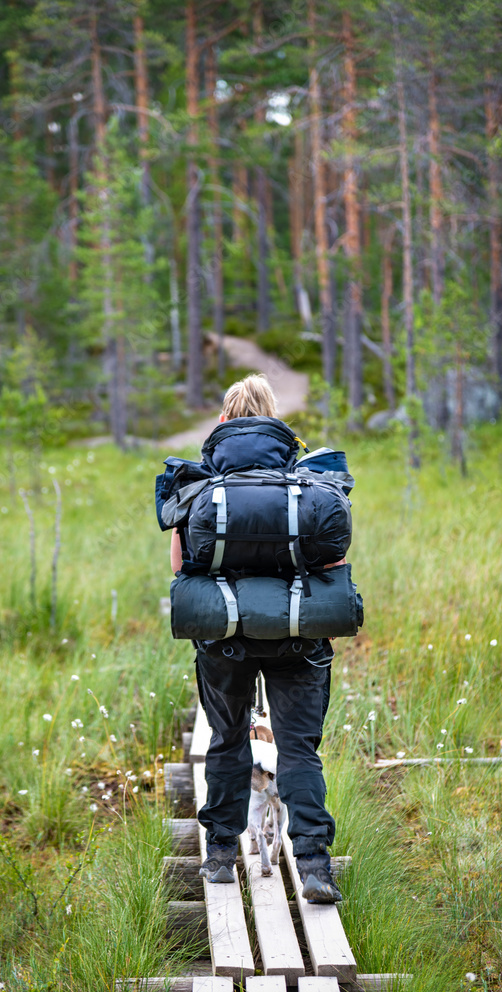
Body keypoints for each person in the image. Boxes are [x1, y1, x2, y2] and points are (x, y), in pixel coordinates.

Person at [170, 373, 343, 904]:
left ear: (224, 421)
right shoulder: (307, 486)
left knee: (226, 740)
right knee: (297, 751)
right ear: (274, 420)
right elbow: (334, 565)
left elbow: (181, 569)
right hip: (295, 638)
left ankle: (221, 856)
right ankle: (313, 863)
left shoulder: (200, 486)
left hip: (225, 639)